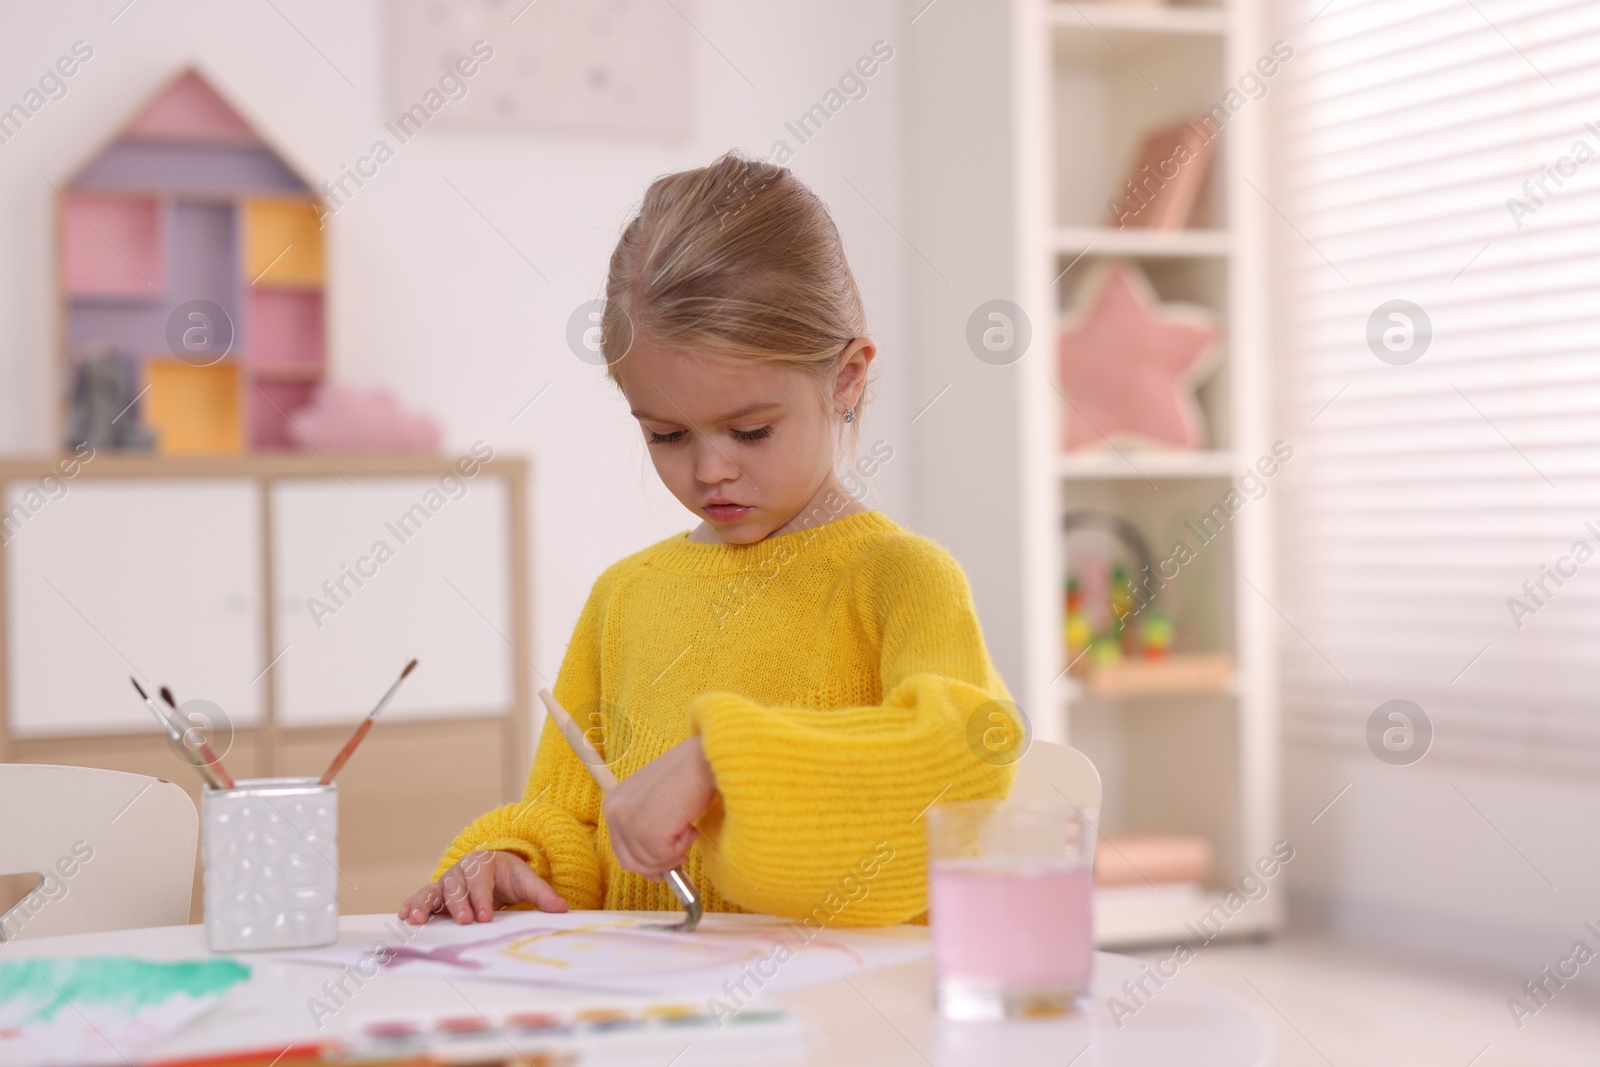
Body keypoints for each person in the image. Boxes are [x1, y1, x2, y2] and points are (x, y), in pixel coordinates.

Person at [399, 150, 1021, 928]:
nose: (710, 470)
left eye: (750, 429)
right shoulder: (625, 597)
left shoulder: (902, 579)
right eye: (666, 434)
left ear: (848, 377)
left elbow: (963, 760)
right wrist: (515, 862)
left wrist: (719, 761)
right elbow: (579, 822)